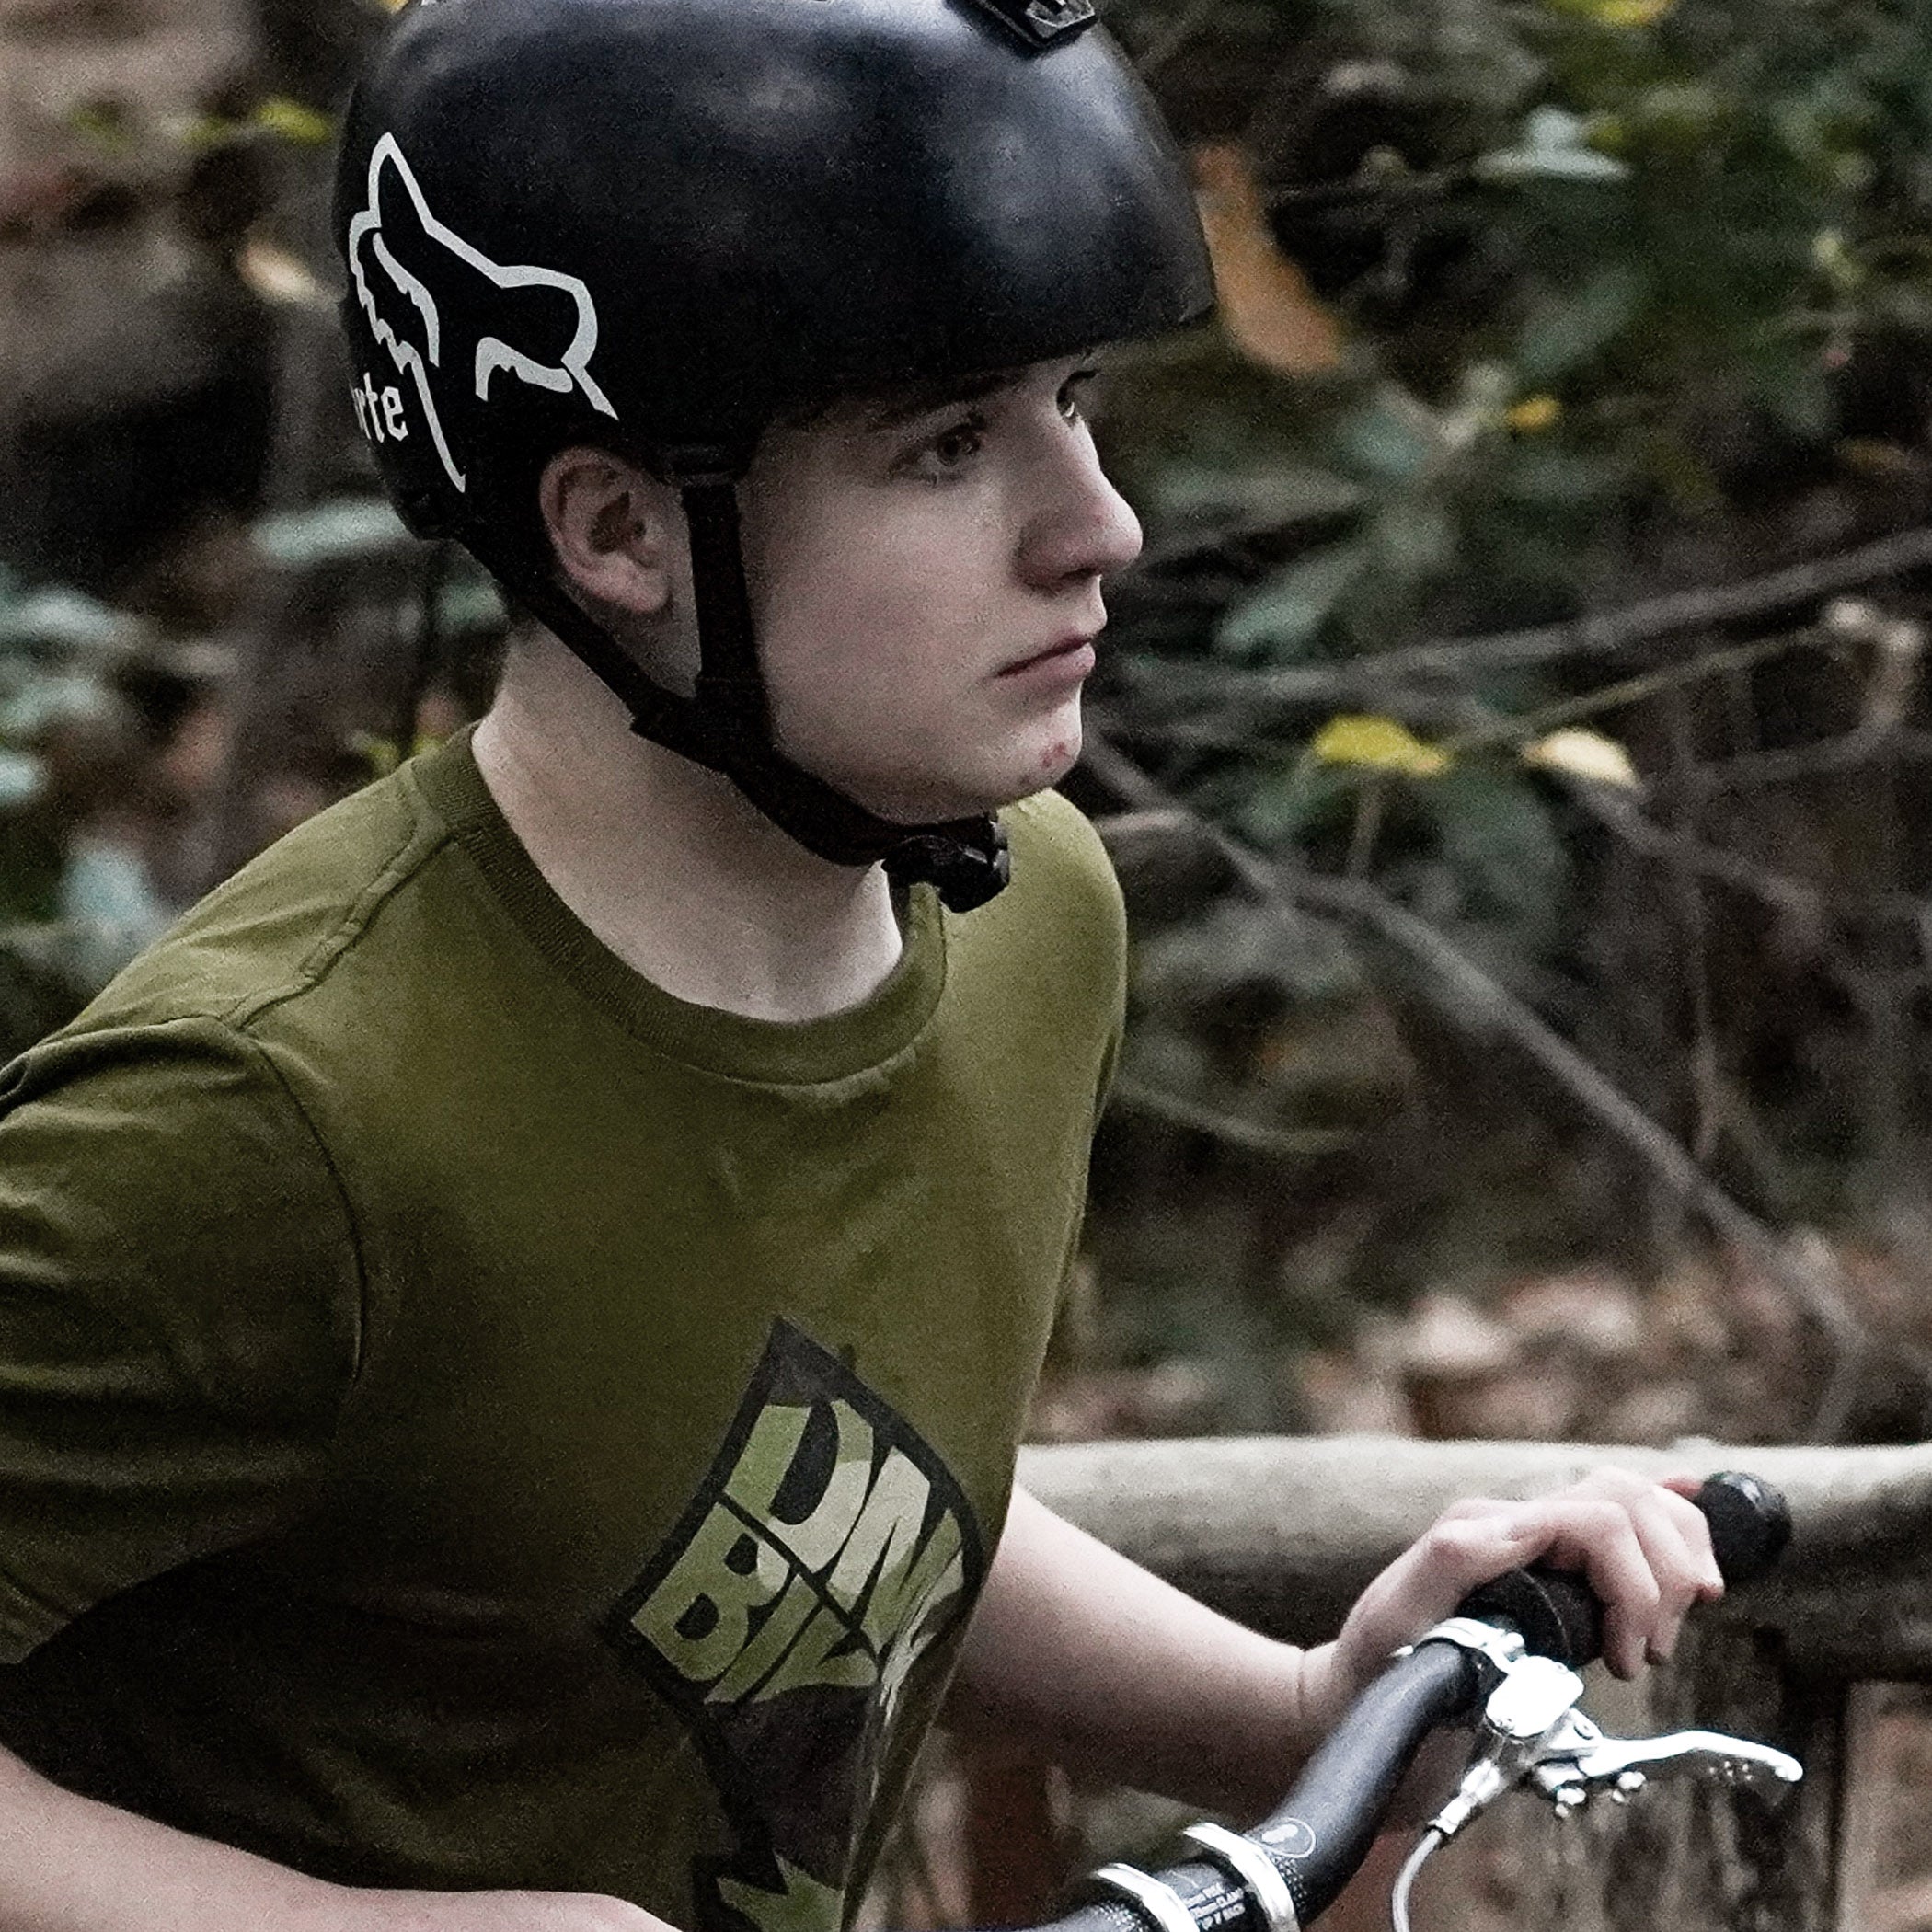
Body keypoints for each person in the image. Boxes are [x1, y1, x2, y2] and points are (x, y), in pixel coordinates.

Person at [0, 1, 1724, 1930]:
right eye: (941, 447)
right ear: (615, 525)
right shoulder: (269, 1120)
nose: (1102, 529)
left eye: (1074, 403)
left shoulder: (1023, 922)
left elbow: (842, 1510)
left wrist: (1304, 1712)